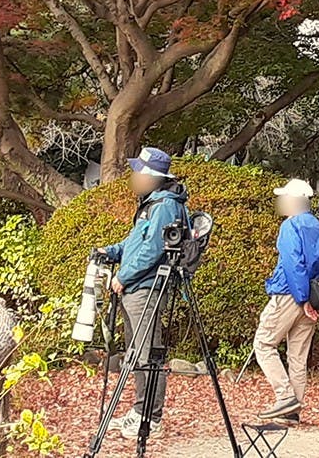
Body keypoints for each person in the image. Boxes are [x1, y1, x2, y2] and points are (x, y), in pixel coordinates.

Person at [98, 147, 190, 439]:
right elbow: (136, 242)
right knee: (137, 352)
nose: (134, 176)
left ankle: (151, 418)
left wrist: (123, 276)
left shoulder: (164, 206)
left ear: (152, 176)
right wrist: (110, 252)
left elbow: (154, 250)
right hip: (138, 288)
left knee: (147, 354)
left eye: (139, 171)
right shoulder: (151, 204)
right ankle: (140, 411)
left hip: (146, 288)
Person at [252, 178, 319, 422]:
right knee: (298, 356)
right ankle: (292, 412)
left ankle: (285, 398)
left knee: (264, 344)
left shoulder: (290, 226)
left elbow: (293, 264)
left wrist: (302, 299)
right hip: (315, 298)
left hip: (290, 294)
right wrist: (318, 301)